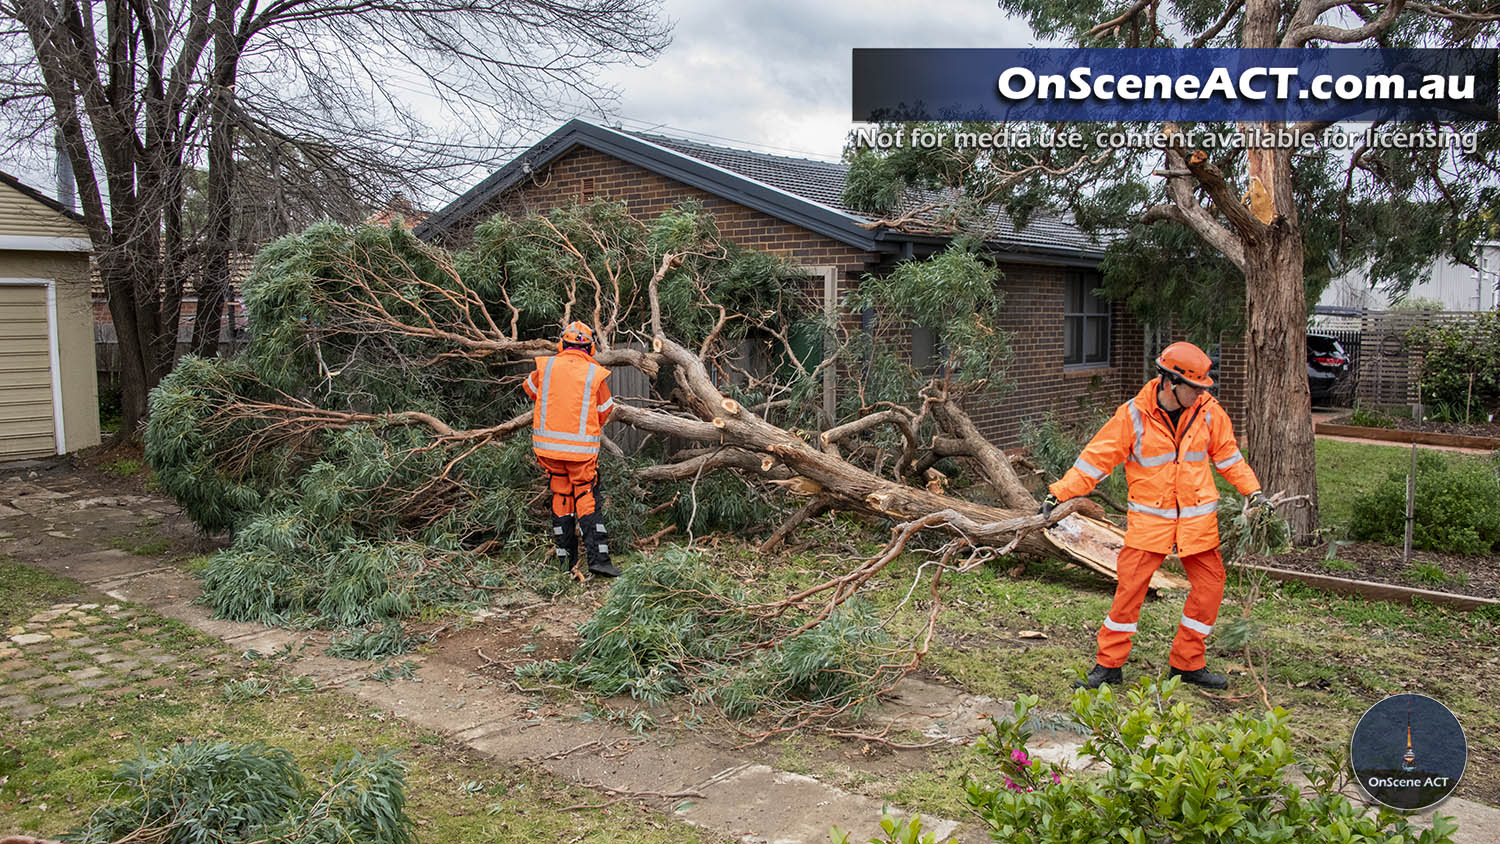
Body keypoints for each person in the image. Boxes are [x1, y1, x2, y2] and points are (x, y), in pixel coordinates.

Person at [1039, 341, 1270, 690]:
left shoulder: (1209, 412)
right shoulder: (1133, 415)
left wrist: (1252, 492)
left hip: (1197, 523)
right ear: (1169, 382)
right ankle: (1108, 665)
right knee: (1130, 591)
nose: (1200, 393)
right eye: (1194, 387)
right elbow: (1096, 460)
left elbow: (1229, 457)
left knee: (1210, 588)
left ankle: (1188, 664)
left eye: (1203, 387)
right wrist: (1060, 492)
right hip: (1151, 524)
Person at [523, 321, 620, 578]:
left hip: (548, 451)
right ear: (589, 348)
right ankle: (598, 560)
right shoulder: (593, 372)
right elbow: (605, 410)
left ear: (561, 345)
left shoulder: (547, 366)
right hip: (580, 454)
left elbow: (530, 389)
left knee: (561, 497)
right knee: (586, 498)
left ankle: (565, 561)